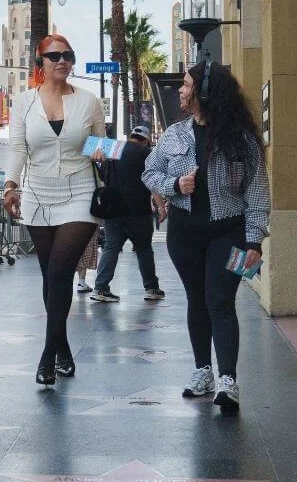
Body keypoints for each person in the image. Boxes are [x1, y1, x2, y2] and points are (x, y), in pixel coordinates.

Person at [142, 60, 269, 413]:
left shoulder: (241, 140)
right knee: (196, 299)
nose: (181, 91)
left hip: (229, 233)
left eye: (186, 85)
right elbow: (149, 172)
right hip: (183, 234)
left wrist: (254, 242)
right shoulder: (174, 135)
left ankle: (228, 379)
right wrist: (174, 186)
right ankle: (203, 371)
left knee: (220, 300)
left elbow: (257, 193)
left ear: (205, 93)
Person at [4, 34, 107, 386]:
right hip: (37, 193)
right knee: (50, 276)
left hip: (80, 189)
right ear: (40, 64)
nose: (62, 61)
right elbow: (18, 147)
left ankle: (47, 356)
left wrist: (102, 150)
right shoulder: (24, 102)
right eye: (54, 56)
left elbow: (102, 143)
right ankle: (62, 347)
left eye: (68, 55)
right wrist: (11, 184)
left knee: (61, 272)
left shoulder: (89, 101)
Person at [90, 125, 166, 302]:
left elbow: (103, 176)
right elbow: (152, 182)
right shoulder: (146, 153)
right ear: (146, 140)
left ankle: (101, 288)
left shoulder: (113, 149)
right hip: (138, 211)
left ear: (131, 136)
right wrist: (161, 206)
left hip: (113, 209)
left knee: (110, 247)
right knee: (144, 249)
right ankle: (151, 288)